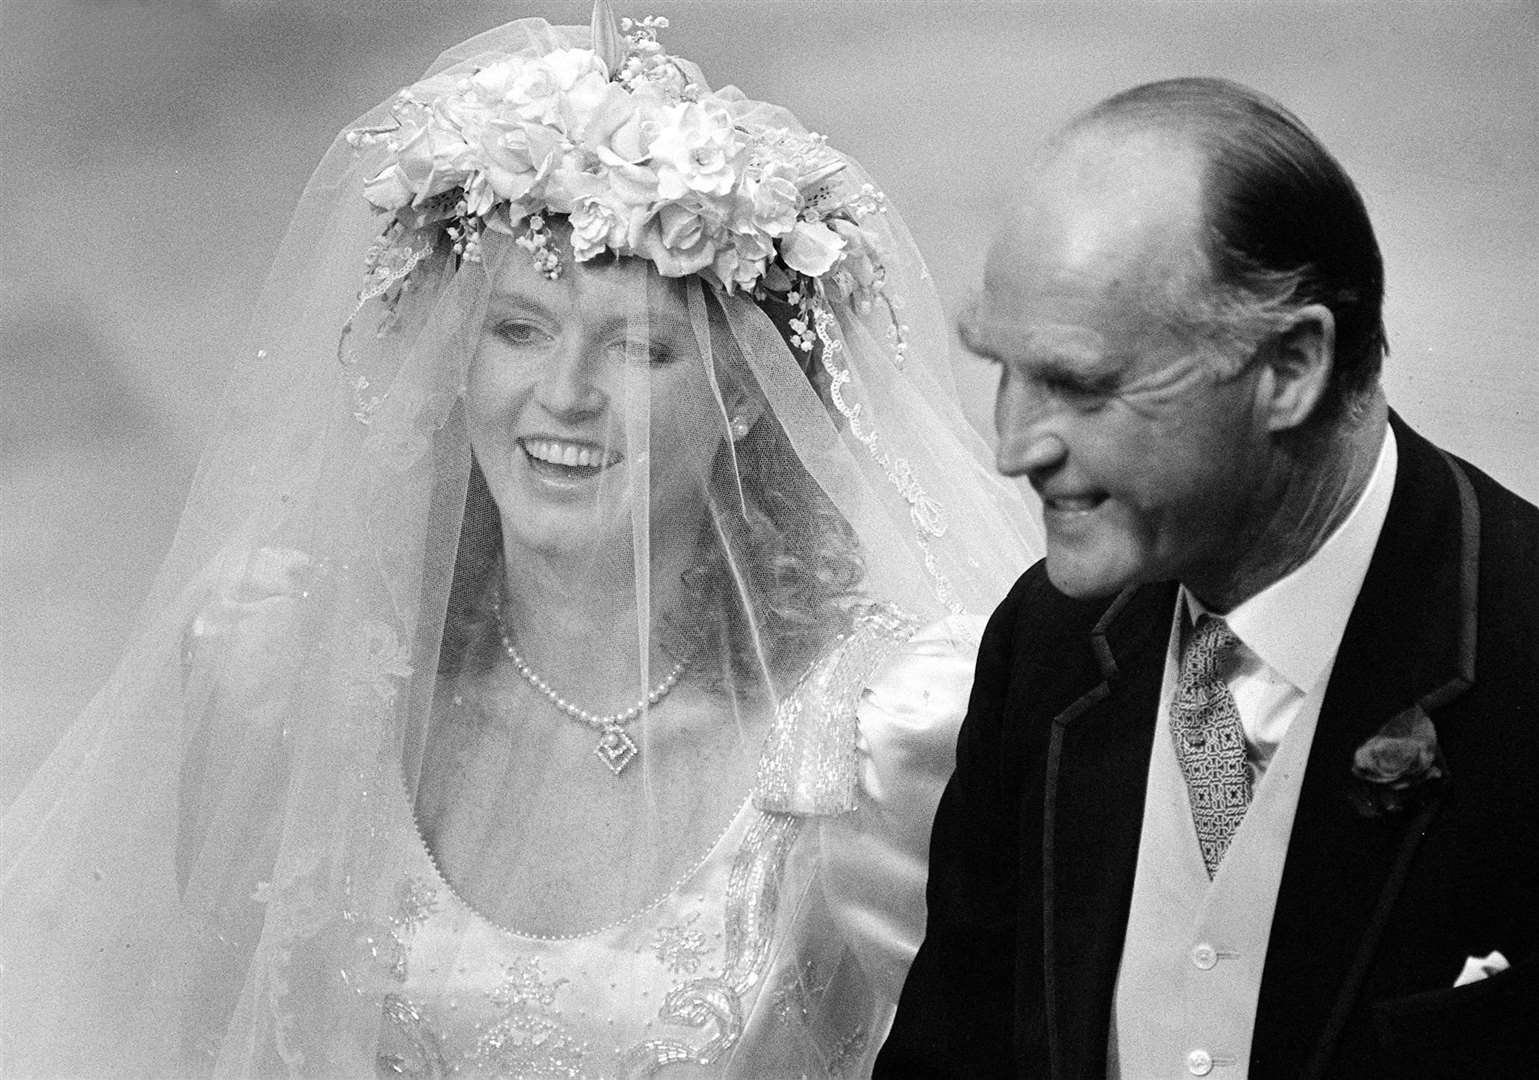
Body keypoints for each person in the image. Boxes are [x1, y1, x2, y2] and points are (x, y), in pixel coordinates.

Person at [0, 8, 1040, 1077]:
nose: (563, 396)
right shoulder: (319, 681)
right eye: (518, 330)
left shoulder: (874, 733)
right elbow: (231, 1031)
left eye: (636, 349)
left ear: (744, 397)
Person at [876, 77, 1538, 1078]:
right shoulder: (1046, 641)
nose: (1013, 447)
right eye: (1002, 367)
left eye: (1082, 383)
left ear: (1292, 368)